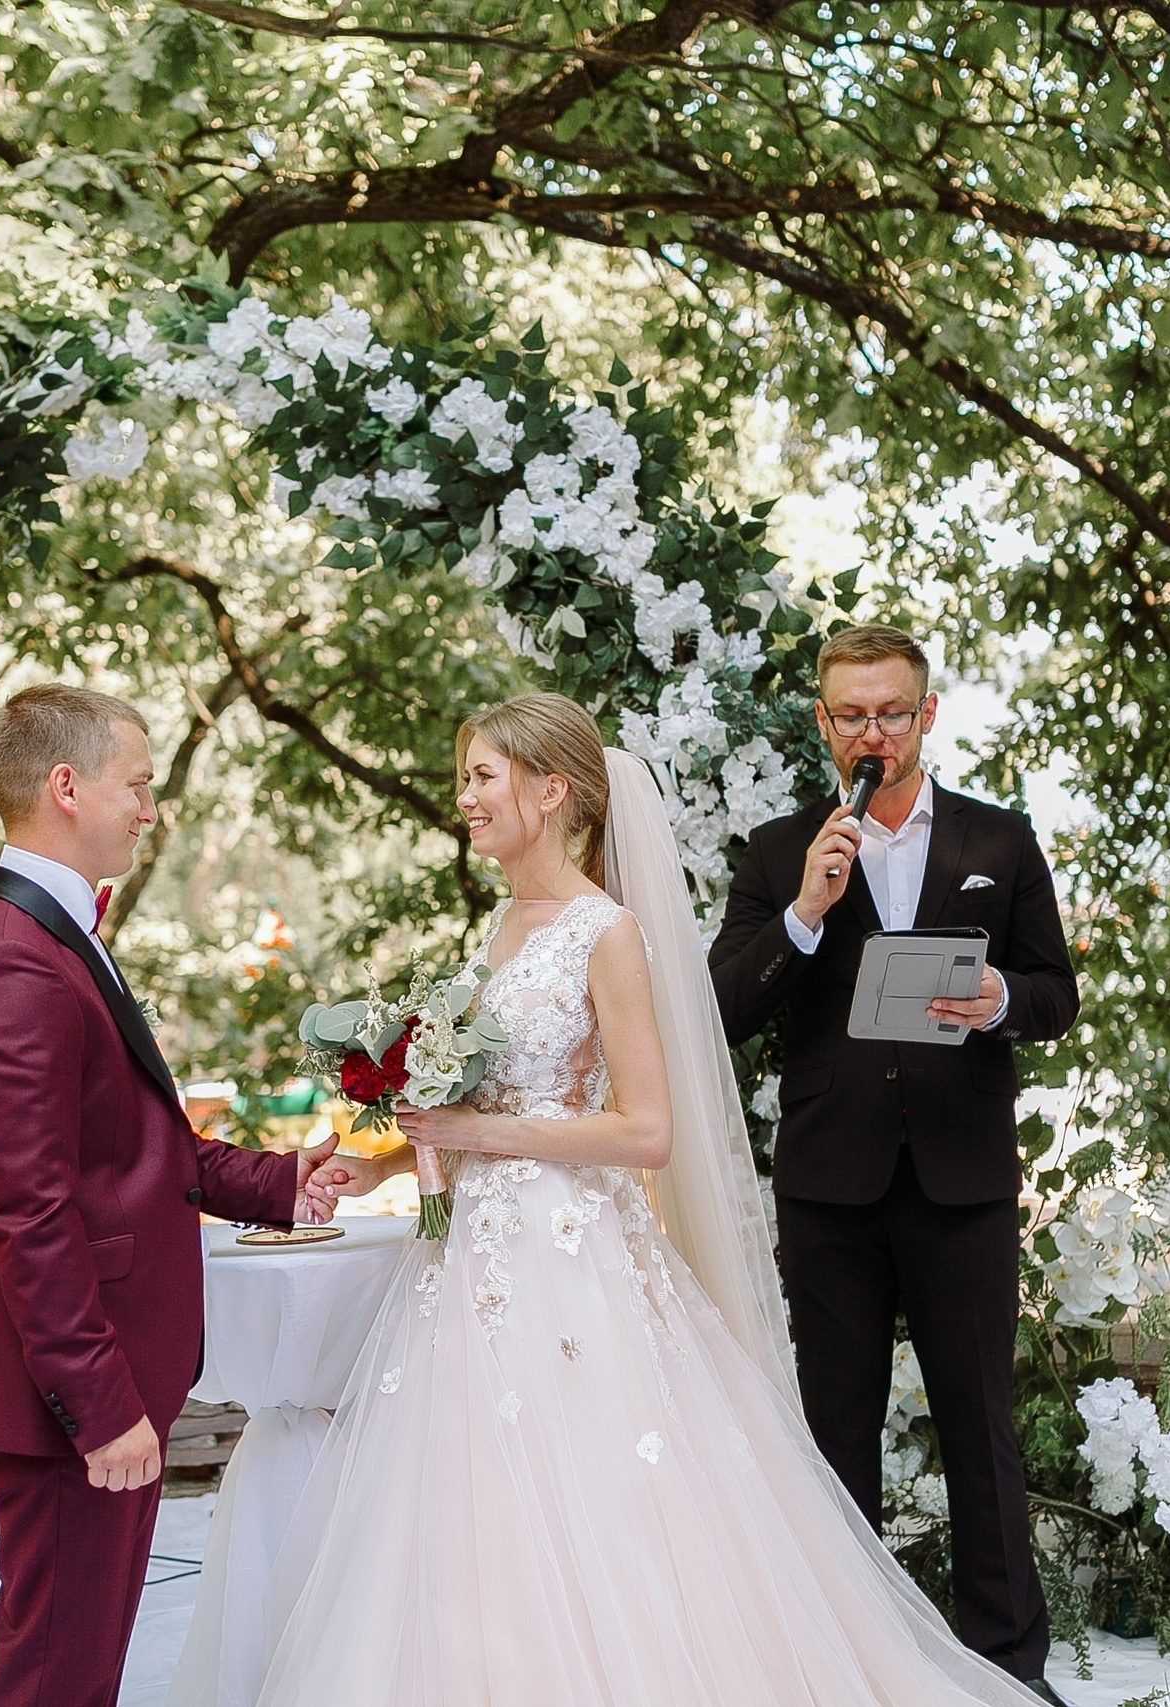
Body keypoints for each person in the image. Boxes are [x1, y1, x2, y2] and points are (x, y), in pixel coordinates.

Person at [253, 693, 1041, 1707]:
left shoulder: (606, 932)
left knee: (598, 1509)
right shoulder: (501, 923)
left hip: (574, 1264)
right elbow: (485, 1102)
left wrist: (477, 1133)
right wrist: (388, 1161)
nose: (464, 797)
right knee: (473, 1510)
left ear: (552, 791)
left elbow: (645, 1131)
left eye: (482, 776)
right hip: (474, 1260)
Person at [0, 683, 354, 1707]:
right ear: (65, 787)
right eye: (139, 784)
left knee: (76, 1658)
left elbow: (132, 1149)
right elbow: (25, 1212)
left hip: (87, 1374)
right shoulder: (11, 966)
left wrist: (285, 1181)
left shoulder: (47, 937)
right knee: (57, 1672)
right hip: (70, 1392)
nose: (152, 808)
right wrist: (102, 1406)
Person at [708, 624, 1080, 1699]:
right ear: (824, 725)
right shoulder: (781, 852)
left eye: (891, 711)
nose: (872, 731)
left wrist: (1001, 1000)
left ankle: (1007, 1668)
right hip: (830, 1185)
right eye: (850, 714)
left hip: (959, 1179)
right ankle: (845, 1666)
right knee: (835, 1432)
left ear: (926, 717)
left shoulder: (997, 842)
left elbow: (1054, 993)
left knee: (979, 1424)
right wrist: (807, 914)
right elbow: (723, 1009)